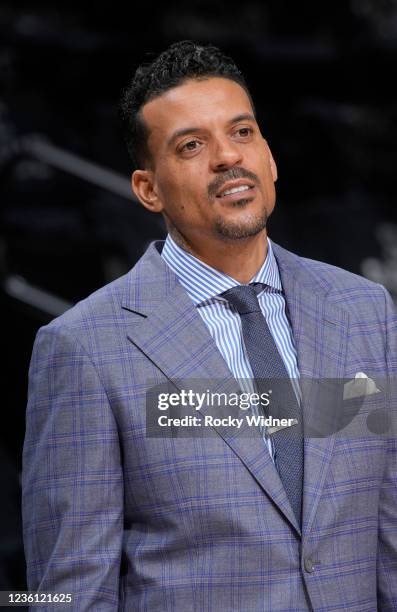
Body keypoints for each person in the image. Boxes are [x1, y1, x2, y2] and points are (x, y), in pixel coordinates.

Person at [22, 40, 397, 611]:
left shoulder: (364, 309)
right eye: (192, 145)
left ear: (270, 157)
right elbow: (66, 592)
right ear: (148, 189)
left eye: (242, 132)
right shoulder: (84, 348)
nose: (227, 157)